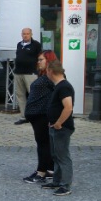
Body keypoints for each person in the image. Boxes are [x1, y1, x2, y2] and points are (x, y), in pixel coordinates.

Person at [22, 51, 59, 184]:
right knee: (44, 144)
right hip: (36, 115)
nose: (38, 62)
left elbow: (59, 93)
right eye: (38, 59)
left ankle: (41, 172)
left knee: (43, 144)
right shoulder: (44, 75)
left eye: (41, 59)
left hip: (43, 115)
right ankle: (49, 169)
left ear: (49, 61)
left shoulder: (52, 76)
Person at [42, 60, 75, 197]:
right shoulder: (59, 86)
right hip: (54, 126)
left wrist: (59, 123)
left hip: (61, 127)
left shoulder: (64, 87)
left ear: (50, 71)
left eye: (47, 71)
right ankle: (57, 180)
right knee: (56, 155)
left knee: (62, 156)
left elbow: (68, 107)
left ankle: (65, 185)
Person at [13, 27, 42, 124]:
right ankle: (24, 116)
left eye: (27, 34)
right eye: (24, 34)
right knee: (20, 95)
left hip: (30, 73)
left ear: (31, 34)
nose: (25, 35)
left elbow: (40, 58)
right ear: (21, 34)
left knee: (33, 94)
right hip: (18, 73)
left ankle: (36, 116)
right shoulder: (19, 44)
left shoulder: (36, 45)